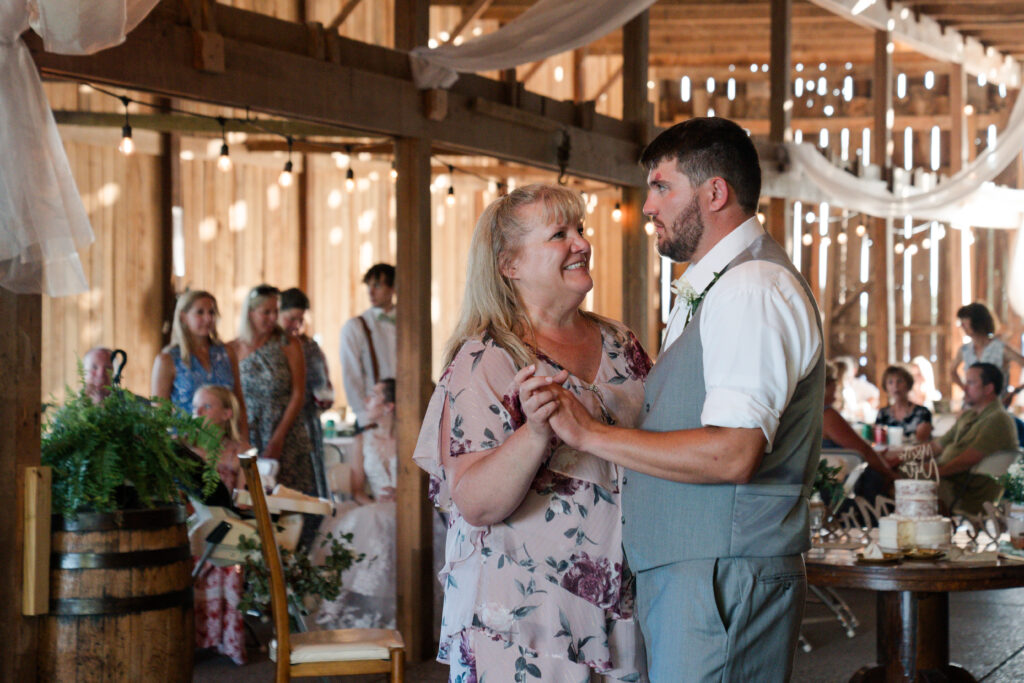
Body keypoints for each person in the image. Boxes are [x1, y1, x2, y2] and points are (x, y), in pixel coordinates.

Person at [528, 118, 822, 681]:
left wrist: (591, 435)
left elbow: (733, 453)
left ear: (715, 192)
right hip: (699, 574)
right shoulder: (715, 287)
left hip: (720, 577)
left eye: (662, 186)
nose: (648, 206)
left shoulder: (750, 288)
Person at [413, 184, 649, 681]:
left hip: (624, 592)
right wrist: (536, 432)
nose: (581, 243)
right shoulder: (485, 359)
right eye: (558, 234)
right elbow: (474, 502)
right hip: (526, 608)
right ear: (509, 265)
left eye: (580, 230)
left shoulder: (620, 342)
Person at [230, 284, 317, 545]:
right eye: (265, 312)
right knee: (251, 507)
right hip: (248, 433)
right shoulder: (232, 348)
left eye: (275, 311)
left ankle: (292, 568)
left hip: (285, 433)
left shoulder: (288, 344)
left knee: (289, 507)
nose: (271, 318)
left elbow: (298, 394)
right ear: (250, 312)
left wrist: (278, 439)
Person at [314, 379, 397, 630]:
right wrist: (373, 504)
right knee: (370, 520)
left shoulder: (411, 437)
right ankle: (360, 606)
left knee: (379, 520)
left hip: (408, 509)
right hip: (373, 507)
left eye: (373, 395)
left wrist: (404, 495)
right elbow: (357, 490)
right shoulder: (363, 439)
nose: (366, 400)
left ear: (389, 406)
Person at [889, 362, 1018, 514]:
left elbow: (966, 461)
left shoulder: (998, 420)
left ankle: (891, 530)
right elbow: (936, 446)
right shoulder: (970, 415)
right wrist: (901, 458)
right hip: (950, 481)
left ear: (988, 388)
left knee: (889, 478)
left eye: (970, 383)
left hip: (965, 492)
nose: (964, 388)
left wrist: (930, 472)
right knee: (889, 469)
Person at [189, 383, 252, 665]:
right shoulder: (188, 450)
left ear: (227, 414)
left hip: (227, 525)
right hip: (192, 527)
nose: (198, 413)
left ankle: (227, 641)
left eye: (206, 407)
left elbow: (246, 500)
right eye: (195, 408)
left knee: (230, 553)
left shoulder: (240, 451)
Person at [152, 290, 248, 438]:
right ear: (183, 317)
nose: (208, 318)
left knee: (249, 461)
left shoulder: (226, 353)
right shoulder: (168, 359)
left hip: (226, 444)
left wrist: (244, 445)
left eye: (212, 312)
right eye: (200, 313)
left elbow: (239, 403)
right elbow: (159, 414)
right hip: (187, 447)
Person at [280, 287, 333, 498]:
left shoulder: (310, 347)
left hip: (307, 423)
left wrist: (325, 397)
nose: (297, 325)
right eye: (292, 318)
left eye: (301, 320)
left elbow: (323, 385)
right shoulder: (269, 346)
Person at [822, 362, 895, 513]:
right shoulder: (827, 416)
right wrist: (891, 474)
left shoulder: (804, 415)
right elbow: (863, 451)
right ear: (826, 385)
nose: (836, 387)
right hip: (840, 491)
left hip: (819, 487)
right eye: (834, 383)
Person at [339, 263, 396, 428]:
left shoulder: (408, 324)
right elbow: (351, 375)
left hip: (406, 414)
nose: (370, 292)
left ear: (393, 288)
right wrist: (362, 415)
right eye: (368, 286)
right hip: (373, 417)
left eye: (377, 285)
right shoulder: (356, 327)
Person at [951, 302, 1024, 404]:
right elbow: (952, 372)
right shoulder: (965, 350)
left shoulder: (1000, 349)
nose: (962, 326)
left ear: (977, 322)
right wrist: (966, 390)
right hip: (973, 408)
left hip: (997, 407)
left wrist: (1013, 393)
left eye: (965, 321)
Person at [875, 364, 933, 443]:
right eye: (890, 382)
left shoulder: (922, 413)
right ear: (886, 387)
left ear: (908, 384)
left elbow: (921, 442)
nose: (895, 386)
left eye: (900, 381)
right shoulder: (882, 414)